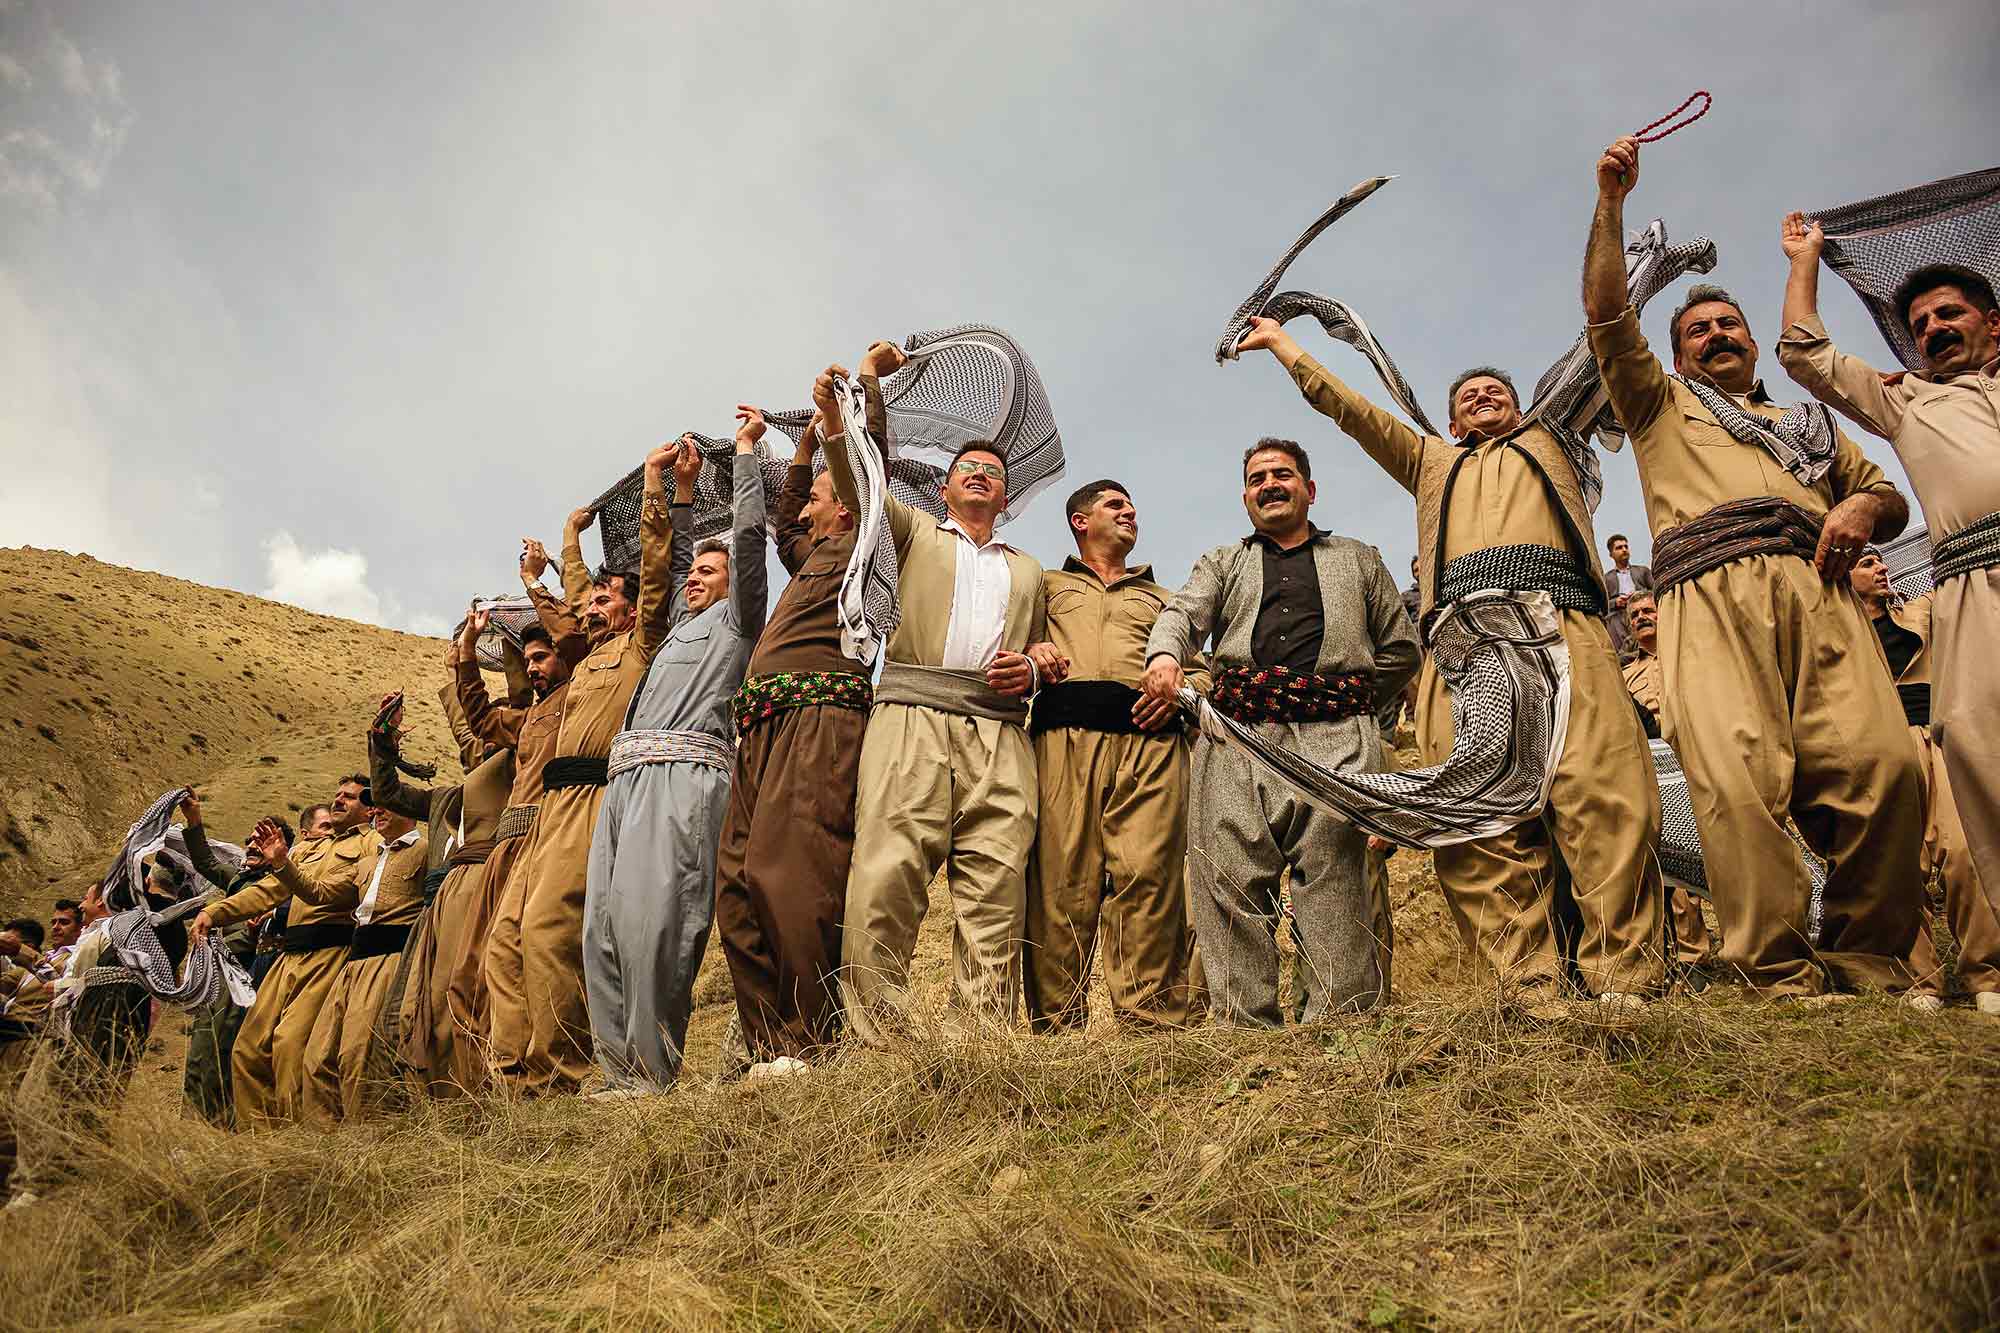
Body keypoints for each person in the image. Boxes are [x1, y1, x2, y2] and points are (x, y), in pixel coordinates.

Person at [1235, 317, 1663, 1004]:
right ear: (1451, 422)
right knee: (1478, 818)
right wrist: (1286, 345)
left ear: (1524, 408)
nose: (1482, 395)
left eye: (1496, 390)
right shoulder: (1432, 461)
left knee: (1605, 799)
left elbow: (1604, 337)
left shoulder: (1553, 441)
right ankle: (1529, 988)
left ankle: (1625, 981)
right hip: (1464, 645)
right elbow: (1354, 411)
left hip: (1567, 625)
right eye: (1468, 395)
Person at [1584, 135, 1924, 998]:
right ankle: (1776, 975)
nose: (1718, 333)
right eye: (1698, 330)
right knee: (1737, 790)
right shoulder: (1655, 402)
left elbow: (1889, 497)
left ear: (1750, 340)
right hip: (1710, 599)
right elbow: (1606, 317)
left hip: (1821, 592)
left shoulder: (1809, 426)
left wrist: (1859, 507)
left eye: (1729, 323)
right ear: (1678, 356)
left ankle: (1867, 960)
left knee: (1883, 768)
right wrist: (1613, 205)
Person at [1777, 224, 2000, 974]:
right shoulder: (1908, 404)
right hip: (1972, 589)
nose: (1934, 328)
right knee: (1977, 748)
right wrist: (1805, 262)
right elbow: (1806, 355)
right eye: (1922, 324)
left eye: (1950, 315)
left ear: (1991, 322)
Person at [1142, 437, 1419, 1024]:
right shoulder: (1223, 561)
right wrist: (1165, 655)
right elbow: (1181, 614)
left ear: (1309, 489)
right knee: (1230, 877)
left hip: (1338, 736)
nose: (1270, 483)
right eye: (1257, 477)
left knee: (1337, 878)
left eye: (1283, 474)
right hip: (1240, 735)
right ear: (1246, 496)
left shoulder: (1360, 558)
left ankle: (1343, 1030)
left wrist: (1349, 699)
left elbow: (1400, 649)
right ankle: (1245, 1034)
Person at [817, 349, 1048, 1041]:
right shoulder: (913, 532)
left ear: (1005, 499)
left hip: (1001, 730)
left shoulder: (1031, 569)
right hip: (911, 712)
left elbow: (1050, 646)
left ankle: (979, 1040)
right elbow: (862, 484)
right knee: (886, 874)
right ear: (945, 492)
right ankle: (880, 1036)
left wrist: (1036, 669)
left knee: (997, 886)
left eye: (994, 475)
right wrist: (844, 410)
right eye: (968, 470)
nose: (981, 476)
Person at [586, 420, 766, 1095]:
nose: (697, 577)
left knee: (655, 928)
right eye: (695, 570)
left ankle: (652, 1076)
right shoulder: (674, 633)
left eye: (710, 573)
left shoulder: (738, 621)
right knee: (602, 926)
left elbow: (745, 542)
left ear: (736, 584)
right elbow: (688, 549)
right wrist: (684, 491)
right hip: (626, 780)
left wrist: (744, 456)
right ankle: (616, 1076)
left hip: (685, 778)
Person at [503, 442, 678, 1094]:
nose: (595, 602)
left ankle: (562, 1076)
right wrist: (567, 543)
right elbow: (577, 602)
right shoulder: (590, 650)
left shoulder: (641, 644)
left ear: (634, 610)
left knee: (553, 931)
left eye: (609, 595)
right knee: (516, 937)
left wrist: (656, 486)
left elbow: (655, 568)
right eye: (595, 595)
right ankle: (525, 1081)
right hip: (551, 809)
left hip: (596, 800)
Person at [714, 399, 868, 1071]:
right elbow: (782, 529)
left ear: (852, 507)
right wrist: (799, 451)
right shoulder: (812, 554)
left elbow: (865, 471)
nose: (804, 508)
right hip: (763, 727)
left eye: (819, 498)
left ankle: (812, 1040)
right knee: (736, 885)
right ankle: (770, 1046)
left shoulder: (868, 552)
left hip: (820, 722)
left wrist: (844, 415)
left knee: (792, 880)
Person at [1020, 478, 1204, 1031]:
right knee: (1057, 885)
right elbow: (1008, 634)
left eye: (1132, 505)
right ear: (1080, 521)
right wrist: (1033, 648)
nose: (1130, 512)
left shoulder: (1165, 601)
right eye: (1114, 504)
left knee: (1149, 879)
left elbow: (1201, 670)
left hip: (1149, 746)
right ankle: (1055, 1029)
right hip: (1061, 744)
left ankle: (1152, 1028)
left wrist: (1180, 699)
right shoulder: (1043, 586)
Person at [1848, 550, 1998, 1013]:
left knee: (1964, 852)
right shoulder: (1838, 635)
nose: (1881, 567)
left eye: (1880, 559)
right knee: (1902, 863)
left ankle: (1986, 975)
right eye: (1867, 562)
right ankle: (1920, 981)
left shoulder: (1922, 609)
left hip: (1936, 736)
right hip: (1881, 744)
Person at [190, 775, 378, 1127]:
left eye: (350, 797)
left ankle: (297, 1144)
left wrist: (282, 863)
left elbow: (327, 893)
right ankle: (262, 1142)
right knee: (247, 1049)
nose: (339, 800)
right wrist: (213, 912)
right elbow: (266, 891)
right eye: (337, 794)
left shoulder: (371, 844)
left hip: (328, 955)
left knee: (289, 1046)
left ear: (369, 810)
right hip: (286, 958)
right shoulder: (310, 849)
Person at [369, 653, 517, 1097]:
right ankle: (429, 1104)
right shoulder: (444, 799)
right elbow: (386, 792)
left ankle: (473, 1098)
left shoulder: (517, 772)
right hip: (437, 907)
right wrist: (382, 743)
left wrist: (462, 672)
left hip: (483, 891)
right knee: (419, 1009)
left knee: (465, 999)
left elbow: (474, 735)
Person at [273, 801, 428, 1122]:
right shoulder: (366, 862)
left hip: (391, 960)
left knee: (357, 1056)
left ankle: (368, 1141)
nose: (378, 811)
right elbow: (317, 892)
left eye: (390, 804)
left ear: (411, 811)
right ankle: (324, 1146)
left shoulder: (428, 850)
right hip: (353, 962)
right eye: (376, 807)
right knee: (316, 1058)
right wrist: (281, 863)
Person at [177, 792, 286, 1126]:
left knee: (226, 1049)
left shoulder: (285, 884)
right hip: (218, 973)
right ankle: (192, 1124)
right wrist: (194, 821)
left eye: (260, 841)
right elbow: (205, 861)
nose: (252, 846)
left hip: (253, 974)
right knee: (200, 1048)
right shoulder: (239, 880)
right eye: (249, 840)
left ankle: (221, 1125)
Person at [1601, 534, 1655, 658]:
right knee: (1612, 622)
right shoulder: (1607, 578)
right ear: (1611, 554)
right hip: (1618, 615)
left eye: (1626, 546)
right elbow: (1602, 604)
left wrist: (1639, 596)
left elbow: (1655, 590)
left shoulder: (1642, 571)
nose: (1624, 549)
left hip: (1641, 607)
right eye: (1619, 548)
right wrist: (1616, 602)